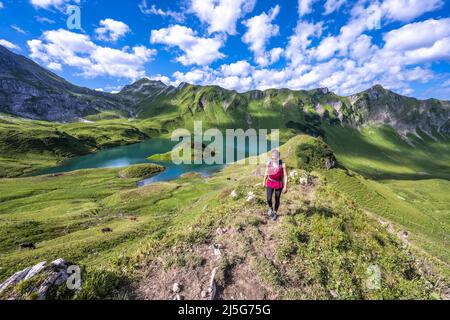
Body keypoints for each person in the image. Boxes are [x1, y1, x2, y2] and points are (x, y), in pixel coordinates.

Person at [262, 150, 288, 221]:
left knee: (277, 199)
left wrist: (285, 186)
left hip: (278, 183)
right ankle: (270, 208)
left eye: (275, 158)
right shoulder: (269, 163)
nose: (273, 159)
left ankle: (275, 213)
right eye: (272, 158)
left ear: (278, 157)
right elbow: (266, 172)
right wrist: (264, 181)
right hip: (270, 182)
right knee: (269, 198)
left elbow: (285, 176)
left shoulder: (282, 165)